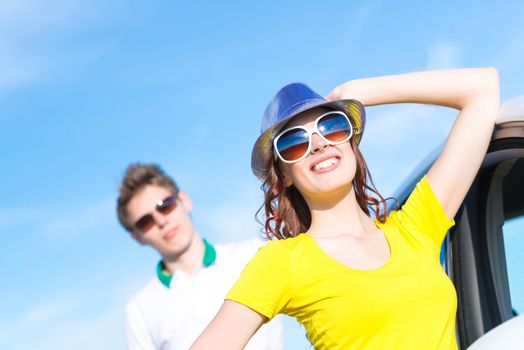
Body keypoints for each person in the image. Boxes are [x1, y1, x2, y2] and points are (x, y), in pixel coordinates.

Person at [190, 68, 500, 349]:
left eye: (333, 126)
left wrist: (357, 92)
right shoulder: (283, 262)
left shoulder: (415, 229)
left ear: (352, 143)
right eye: (294, 142)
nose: (319, 144)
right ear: (283, 174)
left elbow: (483, 89)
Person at [116, 163, 284, 350]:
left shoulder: (253, 253)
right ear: (137, 237)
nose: (161, 221)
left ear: (184, 200)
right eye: (145, 222)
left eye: (165, 205)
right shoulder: (139, 310)